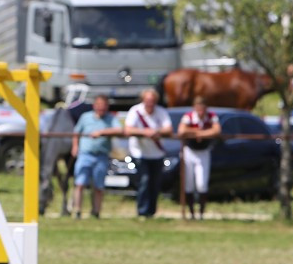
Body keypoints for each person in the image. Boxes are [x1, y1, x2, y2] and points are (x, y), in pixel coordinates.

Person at [70, 95, 122, 219]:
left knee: (99, 186)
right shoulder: (85, 117)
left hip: (101, 156)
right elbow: (76, 132)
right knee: (80, 183)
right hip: (85, 154)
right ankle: (77, 210)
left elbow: (119, 130)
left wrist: (102, 132)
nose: (101, 109)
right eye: (99, 106)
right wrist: (75, 146)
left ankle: (96, 212)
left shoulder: (111, 118)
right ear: (94, 106)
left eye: (104, 107)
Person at [124, 88, 172, 219]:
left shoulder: (161, 111)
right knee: (144, 181)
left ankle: (151, 212)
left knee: (155, 183)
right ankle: (142, 211)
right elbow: (128, 129)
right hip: (140, 153)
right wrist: (145, 132)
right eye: (147, 100)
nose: (150, 103)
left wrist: (157, 132)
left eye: (152, 100)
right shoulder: (135, 111)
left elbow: (169, 128)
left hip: (157, 153)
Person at [177, 95, 221, 220]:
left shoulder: (211, 116)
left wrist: (201, 133)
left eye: (202, 108)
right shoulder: (189, 117)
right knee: (189, 184)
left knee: (202, 184)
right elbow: (181, 131)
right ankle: (191, 214)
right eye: (198, 108)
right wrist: (196, 132)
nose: (200, 111)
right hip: (189, 151)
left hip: (203, 151)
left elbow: (216, 130)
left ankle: (201, 213)